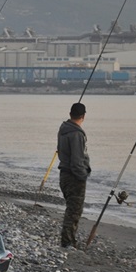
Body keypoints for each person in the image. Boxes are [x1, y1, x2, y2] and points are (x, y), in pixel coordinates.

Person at [57, 102, 91, 249]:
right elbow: (77, 161)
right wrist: (83, 176)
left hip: (64, 174)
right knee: (74, 211)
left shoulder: (63, 129)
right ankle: (68, 243)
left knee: (71, 209)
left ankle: (68, 241)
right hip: (73, 177)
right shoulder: (76, 133)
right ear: (83, 116)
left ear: (71, 114)